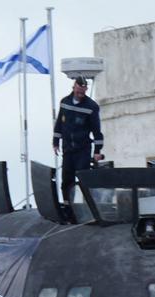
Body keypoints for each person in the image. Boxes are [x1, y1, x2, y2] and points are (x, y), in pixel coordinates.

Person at [53, 76, 105, 204]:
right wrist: (55, 142)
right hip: (68, 148)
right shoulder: (65, 102)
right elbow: (60, 123)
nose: (80, 93)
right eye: (78, 90)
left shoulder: (91, 107)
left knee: (84, 178)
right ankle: (67, 204)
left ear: (86, 89)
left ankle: (89, 205)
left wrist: (97, 151)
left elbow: (97, 131)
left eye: (83, 91)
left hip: (82, 149)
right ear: (74, 87)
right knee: (67, 179)